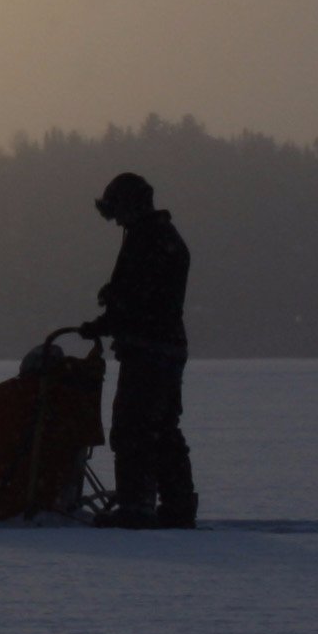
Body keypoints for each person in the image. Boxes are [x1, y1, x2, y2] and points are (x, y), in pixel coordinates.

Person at [78, 173, 196, 529]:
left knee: (133, 428)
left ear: (131, 205)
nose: (116, 221)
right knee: (162, 429)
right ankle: (177, 506)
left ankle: (137, 506)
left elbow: (140, 300)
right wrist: (110, 314)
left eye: (117, 211)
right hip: (165, 347)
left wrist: (108, 315)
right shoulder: (162, 237)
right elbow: (142, 297)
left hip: (150, 350)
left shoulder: (148, 239)